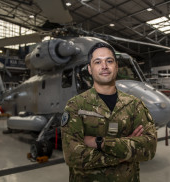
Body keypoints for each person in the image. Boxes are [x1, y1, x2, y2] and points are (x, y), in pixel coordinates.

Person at [61, 42, 157, 182]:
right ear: (89, 69)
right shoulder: (75, 106)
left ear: (116, 66)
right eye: (97, 62)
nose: (104, 66)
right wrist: (126, 150)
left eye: (109, 61)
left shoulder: (134, 105)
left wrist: (100, 142)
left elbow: (149, 149)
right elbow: (73, 156)